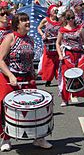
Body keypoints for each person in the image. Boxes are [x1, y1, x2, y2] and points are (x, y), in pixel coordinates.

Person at [0, 13, 52, 151]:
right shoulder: (10, 38)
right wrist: (11, 76)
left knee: (36, 107)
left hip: (27, 78)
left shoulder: (30, 40)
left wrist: (32, 74)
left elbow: (29, 61)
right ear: (17, 24)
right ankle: (6, 138)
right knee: (7, 108)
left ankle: (38, 137)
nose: (27, 22)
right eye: (24, 20)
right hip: (9, 78)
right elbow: (0, 60)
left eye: (28, 19)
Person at [56, 9, 84, 107]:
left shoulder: (80, 28)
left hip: (79, 54)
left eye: (72, 17)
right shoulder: (62, 30)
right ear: (65, 19)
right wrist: (60, 55)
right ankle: (65, 98)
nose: (71, 20)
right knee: (66, 75)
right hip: (68, 54)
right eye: (68, 18)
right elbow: (58, 43)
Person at [37, 4, 61, 87]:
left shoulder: (60, 21)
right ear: (50, 12)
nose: (55, 12)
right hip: (48, 44)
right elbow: (39, 28)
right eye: (54, 10)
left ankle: (60, 78)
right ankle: (48, 79)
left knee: (58, 62)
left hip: (57, 43)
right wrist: (43, 35)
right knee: (48, 63)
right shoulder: (46, 20)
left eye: (56, 10)